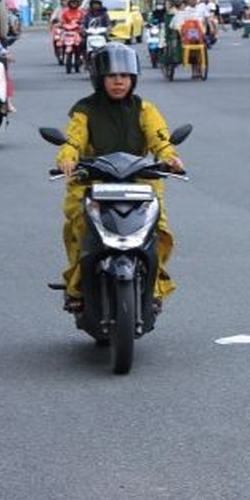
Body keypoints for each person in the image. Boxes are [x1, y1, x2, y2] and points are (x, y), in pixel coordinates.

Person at [53, 43, 184, 314]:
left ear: (133, 79)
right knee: (80, 226)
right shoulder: (85, 109)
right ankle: (77, 287)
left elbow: (160, 138)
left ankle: (155, 286)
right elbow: (73, 140)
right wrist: (67, 157)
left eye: (124, 76)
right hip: (93, 180)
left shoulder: (144, 108)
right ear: (100, 79)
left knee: (159, 231)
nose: (118, 82)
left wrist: (170, 157)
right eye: (112, 76)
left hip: (138, 180)